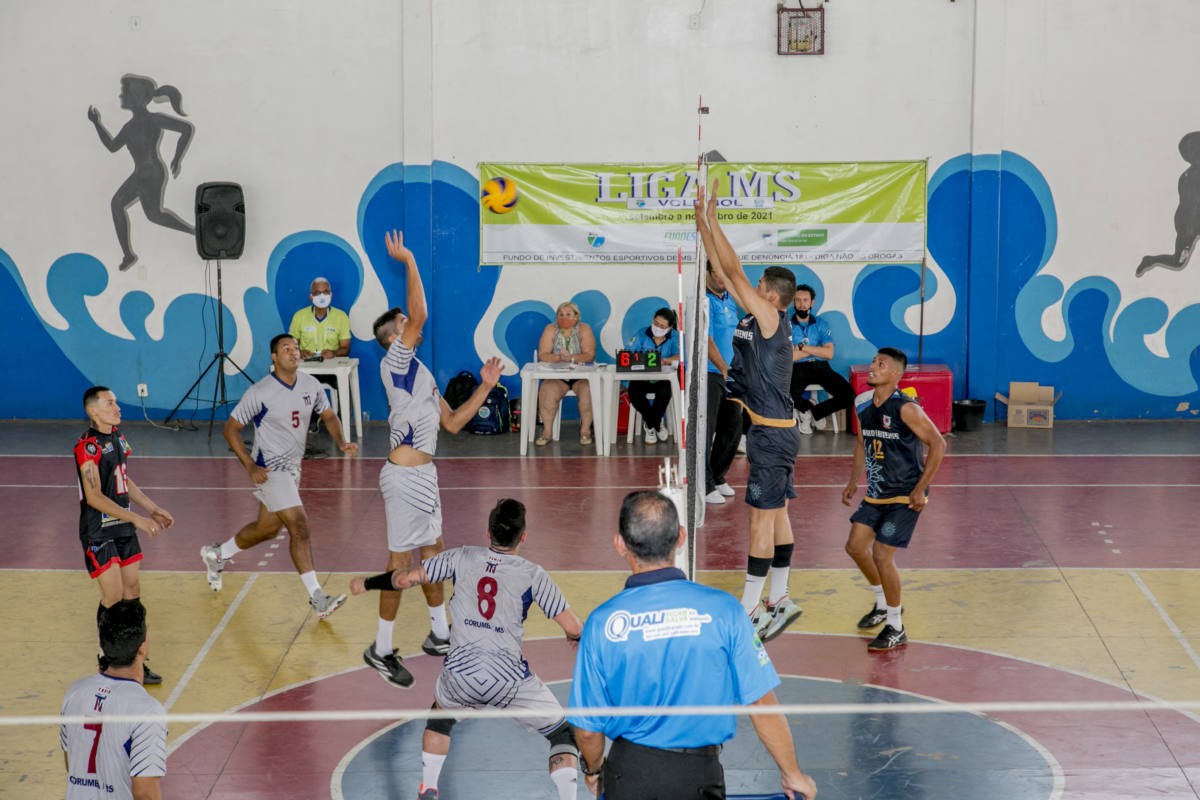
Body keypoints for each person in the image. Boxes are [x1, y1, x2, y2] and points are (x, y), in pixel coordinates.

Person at [569, 491, 818, 800]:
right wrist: (792, 774)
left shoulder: (601, 623)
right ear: (681, 537)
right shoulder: (725, 610)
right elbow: (762, 705)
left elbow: (587, 729)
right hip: (698, 776)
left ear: (619, 543)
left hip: (628, 774)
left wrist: (594, 772)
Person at [350, 498, 583, 800]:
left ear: (487, 533)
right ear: (523, 537)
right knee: (561, 733)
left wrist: (367, 584)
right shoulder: (533, 574)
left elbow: (405, 578)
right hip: (509, 681)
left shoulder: (460, 558)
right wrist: (575, 637)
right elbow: (573, 626)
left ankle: (429, 789)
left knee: (440, 717)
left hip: (460, 675)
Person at [364, 229, 504, 689]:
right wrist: (408, 260)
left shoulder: (419, 371)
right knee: (401, 563)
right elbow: (421, 311)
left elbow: (453, 423)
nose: (413, 324)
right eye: (404, 324)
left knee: (434, 555)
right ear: (394, 337)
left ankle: (441, 634)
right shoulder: (396, 363)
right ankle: (382, 648)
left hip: (424, 474)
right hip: (405, 477)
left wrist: (484, 386)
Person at [695, 179, 804, 643]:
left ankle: (750, 609)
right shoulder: (756, 316)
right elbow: (724, 268)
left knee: (761, 518)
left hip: (773, 435)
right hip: (771, 431)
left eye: (760, 287)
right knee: (777, 516)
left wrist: (715, 221)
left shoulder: (770, 317)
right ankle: (779, 599)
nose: (752, 287)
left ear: (772, 296)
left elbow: (734, 270)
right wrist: (704, 225)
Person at [200, 333, 357, 617]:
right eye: (286, 348)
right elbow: (230, 429)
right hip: (271, 468)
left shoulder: (310, 384)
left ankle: (217, 554)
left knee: (267, 529)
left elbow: (329, 415)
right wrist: (250, 466)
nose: (293, 352)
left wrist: (342, 441)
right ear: (274, 357)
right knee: (299, 525)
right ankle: (317, 598)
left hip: (293, 467)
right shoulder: (261, 392)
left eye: (296, 348)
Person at [842, 347, 945, 652]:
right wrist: (852, 481)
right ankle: (882, 603)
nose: (873, 366)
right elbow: (862, 444)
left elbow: (938, 444)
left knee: (882, 555)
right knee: (855, 547)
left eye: (881, 364)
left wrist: (920, 488)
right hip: (876, 493)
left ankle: (896, 627)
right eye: (873, 361)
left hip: (904, 495)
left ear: (896, 374)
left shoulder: (906, 408)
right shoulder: (862, 403)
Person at [75, 386, 175, 685]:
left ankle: (136, 659)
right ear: (93, 410)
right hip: (99, 530)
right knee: (113, 597)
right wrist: (137, 519)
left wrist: (153, 508)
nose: (117, 407)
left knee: (132, 594)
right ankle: (107, 659)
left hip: (123, 526)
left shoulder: (117, 436)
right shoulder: (88, 446)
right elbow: (93, 496)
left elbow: (123, 478)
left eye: (116, 402)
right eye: (110, 403)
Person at [87, 74, 194, 272]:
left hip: (151, 173)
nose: (120, 96)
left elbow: (185, 129)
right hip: (142, 173)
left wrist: (177, 157)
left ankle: (191, 231)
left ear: (135, 97)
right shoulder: (129, 127)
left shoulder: (153, 120)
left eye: (124, 92)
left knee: (145, 212)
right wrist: (96, 123)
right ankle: (128, 254)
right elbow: (112, 146)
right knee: (150, 214)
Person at [61, 599, 167, 800]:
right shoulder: (147, 711)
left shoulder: (74, 693)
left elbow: (73, 764)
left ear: (103, 645)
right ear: (143, 648)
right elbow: (145, 793)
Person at [789, 284, 854, 435]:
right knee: (782, 394)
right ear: (793, 302)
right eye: (798, 300)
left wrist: (801, 348)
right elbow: (789, 356)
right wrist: (817, 350)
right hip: (797, 368)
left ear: (812, 302)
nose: (801, 303)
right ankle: (807, 407)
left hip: (821, 366)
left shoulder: (821, 324)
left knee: (848, 395)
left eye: (805, 300)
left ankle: (813, 413)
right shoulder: (786, 324)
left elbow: (829, 354)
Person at [704, 259, 744, 505]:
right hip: (711, 373)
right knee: (707, 430)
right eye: (717, 274)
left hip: (732, 374)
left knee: (733, 428)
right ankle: (705, 483)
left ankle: (718, 476)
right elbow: (707, 341)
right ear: (707, 274)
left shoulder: (730, 299)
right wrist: (722, 368)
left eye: (724, 274)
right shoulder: (704, 301)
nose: (722, 279)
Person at [534, 301, 598, 447]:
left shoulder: (584, 329)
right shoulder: (550, 329)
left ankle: (585, 431)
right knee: (546, 390)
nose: (564, 317)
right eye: (560, 314)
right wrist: (558, 358)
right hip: (558, 376)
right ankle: (547, 433)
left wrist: (571, 358)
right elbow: (543, 355)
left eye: (568, 314)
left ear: (577, 316)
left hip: (581, 376)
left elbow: (590, 355)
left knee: (588, 391)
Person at [623, 306, 681, 444]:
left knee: (665, 393)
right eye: (656, 323)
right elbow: (628, 352)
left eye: (662, 326)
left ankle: (650, 424)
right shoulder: (642, 333)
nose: (658, 327)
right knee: (634, 393)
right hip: (642, 377)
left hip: (663, 379)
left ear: (669, 327)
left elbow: (681, 356)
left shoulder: (675, 336)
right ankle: (655, 423)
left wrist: (666, 360)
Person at [288, 276, 352, 360]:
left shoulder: (341, 316)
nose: (322, 296)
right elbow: (291, 346)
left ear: (331, 295)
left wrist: (333, 353)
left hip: (332, 366)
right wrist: (300, 352)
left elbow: (346, 349)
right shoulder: (299, 316)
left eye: (326, 292)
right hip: (306, 366)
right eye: (317, 293)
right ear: (311, 296)